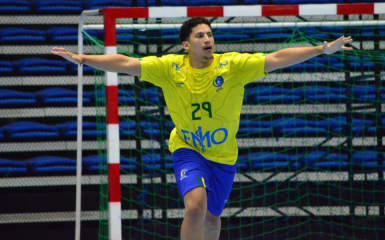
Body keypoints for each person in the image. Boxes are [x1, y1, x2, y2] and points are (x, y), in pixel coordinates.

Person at [52, 17, 353, 240]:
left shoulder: (232, 66)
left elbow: (276, 58)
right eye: (200, 35)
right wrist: (82, 58)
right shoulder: (169, 68)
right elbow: (126, 63)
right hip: (188, 148)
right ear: (186, 44)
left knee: (212, 217)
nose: (208, 39)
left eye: (210, 34)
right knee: (195, 207)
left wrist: (320, 50)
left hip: (222, 156)